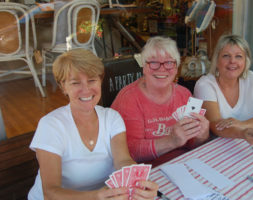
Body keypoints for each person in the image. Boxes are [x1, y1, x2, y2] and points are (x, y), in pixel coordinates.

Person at [28, 49, 158, 200]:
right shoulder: (51, 125)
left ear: (100, 81)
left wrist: (137, 182)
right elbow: (50, 192)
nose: (86, 90)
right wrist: (96, 196)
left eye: (91, 80)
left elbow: (122, 160)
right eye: (75, 83)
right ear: (63, 87)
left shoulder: (112, 117)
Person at [111, 36, 209, 164]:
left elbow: (191, 144)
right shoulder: (128, 99)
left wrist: (201, 136)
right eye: (153, 62)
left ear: (176, 68)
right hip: (150, 172)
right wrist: (171, 141)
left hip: (184, 165)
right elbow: (130, 153)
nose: (161, 68)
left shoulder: (184, 94)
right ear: (144, 67)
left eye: (169, 62)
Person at [194, 34, 253, 145]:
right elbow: (215, 125)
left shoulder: (252, 78)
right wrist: (243, 133)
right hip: (218, 148)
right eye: (226, 56)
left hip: (248, 144)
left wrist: (242, 125)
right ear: (216, 60)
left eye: (239, 56)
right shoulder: (205, 84)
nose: (232, 61)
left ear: (246, 61)